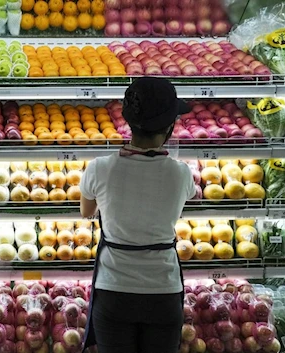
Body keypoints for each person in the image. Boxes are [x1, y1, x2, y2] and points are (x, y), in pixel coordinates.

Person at [80, 77, 196, 353]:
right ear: (169, 127)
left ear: (129, 122)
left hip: (114, 290)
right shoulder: (181, 173)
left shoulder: (99, 168)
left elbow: (87, 213)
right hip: (163, 290)